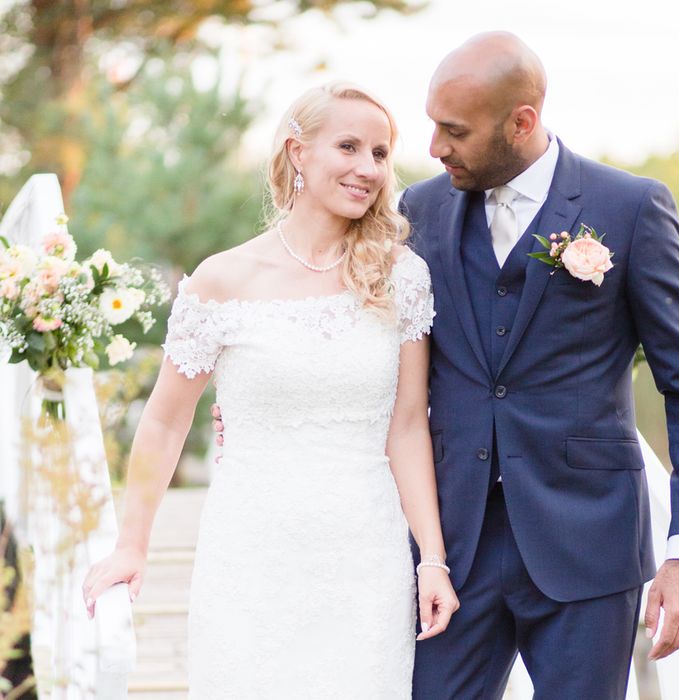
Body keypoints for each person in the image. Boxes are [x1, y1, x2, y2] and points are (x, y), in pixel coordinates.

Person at [81, 81, 459, 699]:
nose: (368, 168)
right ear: (296, 152)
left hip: (363, 556)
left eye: (381, 153)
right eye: (349, 146)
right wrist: (132, 546)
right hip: (251, 551)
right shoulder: (223, 278)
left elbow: (409, 426)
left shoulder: (402, 276)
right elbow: (165, 423)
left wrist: (432, 560)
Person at [398, 32, 679, 699]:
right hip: (448, 548)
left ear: (521, 121)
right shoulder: (420, 210)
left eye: (454, 130)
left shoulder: (629, 209)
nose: (435, 147)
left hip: (588, 546)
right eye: (433, 125)